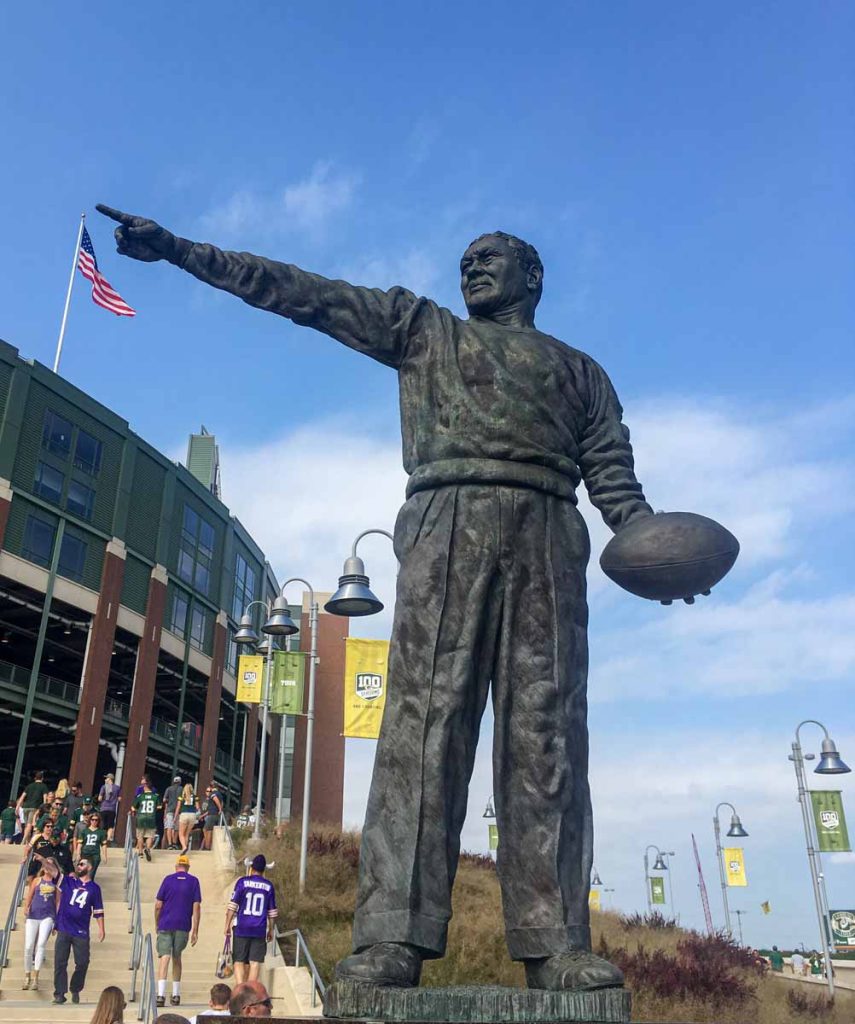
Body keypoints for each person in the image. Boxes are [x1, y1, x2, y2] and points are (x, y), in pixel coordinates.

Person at [99, 208, 663, 992]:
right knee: (419, 730)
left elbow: (613, 476)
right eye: (465, 258)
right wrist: (184, 253)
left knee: (548, 738)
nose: (471, 267)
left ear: (532, 278)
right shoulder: (425, 330)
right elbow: (304, 294)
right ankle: (393, 934)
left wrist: (652, 552)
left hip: (547, 531)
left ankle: (556, 938)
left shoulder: (580, 372)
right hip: (444, 518)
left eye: (489, 257)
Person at [53, 855, 105, 1004]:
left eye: (82, 864)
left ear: (89, 867)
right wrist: (44, 861)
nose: (79, 866)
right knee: (60, 961)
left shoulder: (94, 889)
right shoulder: (69, 882)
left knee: (82, 962)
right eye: (78, 864)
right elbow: (54, 872)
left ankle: (75, 988)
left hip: (81, 930)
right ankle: (59, 993)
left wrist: (101, 929)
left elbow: (99, 910)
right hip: (64, 927)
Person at [154, 854, 201, 1008]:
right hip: (183, 924)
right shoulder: (194, 881)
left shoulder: (168, 880)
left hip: (166, 923)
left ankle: (160, 995)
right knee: (177, 957)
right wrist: (195, 930)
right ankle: (175, 994)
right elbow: (196, 907)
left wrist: (157, 922)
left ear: (176, 867)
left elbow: (158, 905)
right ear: (187, 867)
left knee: (164, 957)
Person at [225, 854, 277, 983]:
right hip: (259, 929)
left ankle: (240, 987)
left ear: (251, 868)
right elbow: (272, 912)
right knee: (255, 962)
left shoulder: (242, 882)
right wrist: (271, 930)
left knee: (239, 961)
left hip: (241, 927)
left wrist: (227, 924)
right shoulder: (269, 886)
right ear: (264, 870)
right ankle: (250, 990)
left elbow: (233, 905)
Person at [22, 858, 61, 991]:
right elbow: (30, 895)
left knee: (41, 944)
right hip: (33, 915)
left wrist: (57, 920)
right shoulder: (37, 880)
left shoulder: (57, 883)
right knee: (28, 946)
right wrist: (26, 908)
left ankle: (35, 977)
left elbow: (58, 902)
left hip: (48, 916)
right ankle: (27, 975)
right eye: (45, 865)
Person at [132, 779, 161, 862]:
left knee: (140, 836)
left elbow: (133, 807)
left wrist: (136, 811)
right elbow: (159, 807)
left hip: (141, 817)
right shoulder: (156, 796)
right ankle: (147, 849)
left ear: (145, 787)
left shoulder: (140, 796)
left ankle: (140, 852)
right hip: (151, 817)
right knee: (150, 836)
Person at [17, 770, 49, 844]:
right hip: (34, 807)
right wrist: (44, 808)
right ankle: (23, 841)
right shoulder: (43, 786)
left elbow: (22, 797)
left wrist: (17, 807)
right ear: (42, 778)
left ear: (35, 778)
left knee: (26, 825)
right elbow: (45, 798)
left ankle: (27, 841)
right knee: (29, 824)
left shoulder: (29, 786)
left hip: (25, 807)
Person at [78, 812, 108, 879]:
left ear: (98, 821)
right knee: (82, 872)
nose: (94, 821)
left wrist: (105, 855)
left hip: (95, 855)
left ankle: (90, 887)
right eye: (92, 819)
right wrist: (78, 853)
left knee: (91, 874)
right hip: (85, 854)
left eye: (96, 820)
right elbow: (80, 843)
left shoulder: (101, 832)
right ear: (90, 820)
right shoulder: (84, 831)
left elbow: (104, 845)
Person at [97, 774, 122, 845]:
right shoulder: (117, 788)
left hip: (104, 808)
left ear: (110, 779)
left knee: (103, 825)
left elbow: (99, 798)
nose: (105, 780)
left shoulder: (103, 787)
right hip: (112, 809)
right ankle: (108, 839)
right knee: (110, 825)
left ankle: (103, 839)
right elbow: (120, 799)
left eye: (106, 778)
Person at [176, 784, 198, 854]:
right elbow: (198, 807)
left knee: (181, 833)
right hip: (192, 815)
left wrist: (175, 816)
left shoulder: (181, 797)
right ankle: (184, 850)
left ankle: (184, 847)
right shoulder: (195, 797)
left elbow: (178, 807)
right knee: (187, 833)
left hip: (184, 814)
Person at [163, 776, 183, 851]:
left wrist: (169, 800)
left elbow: (164, 799)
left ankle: (170, 844)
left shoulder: (168, 789)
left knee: (169, 827)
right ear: (180, 782)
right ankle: (174, 843)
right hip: (178, 811)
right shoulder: (181, 789)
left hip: (169, 810)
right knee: (176, 828)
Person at [201, 785, 223, 851]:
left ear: (212, 788)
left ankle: (207, 847)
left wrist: (220, 809)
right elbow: (221, 803)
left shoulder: (213, 794)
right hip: (215, 814)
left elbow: (215, 799)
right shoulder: (220, 794)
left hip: (212, 814)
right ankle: (207, 847)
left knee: (205, 829)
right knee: (209, 830)